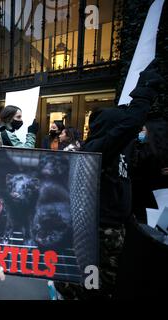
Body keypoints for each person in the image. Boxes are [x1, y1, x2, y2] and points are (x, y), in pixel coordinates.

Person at [54, 60, 165, 300]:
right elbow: (129, 124)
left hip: (115, 229)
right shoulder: (98, 150)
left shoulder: (122, 149)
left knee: (101, 284)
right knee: (91, 284)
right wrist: (144, 90)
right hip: (97, 231)